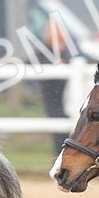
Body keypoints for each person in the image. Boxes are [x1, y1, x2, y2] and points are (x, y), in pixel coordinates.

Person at [40, 18, 77, 153]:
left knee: (68, 128)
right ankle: (60, 156)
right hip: (53, 95)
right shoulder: (42, 52)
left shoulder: (68, 51)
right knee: (58, 130)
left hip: (67, 95)